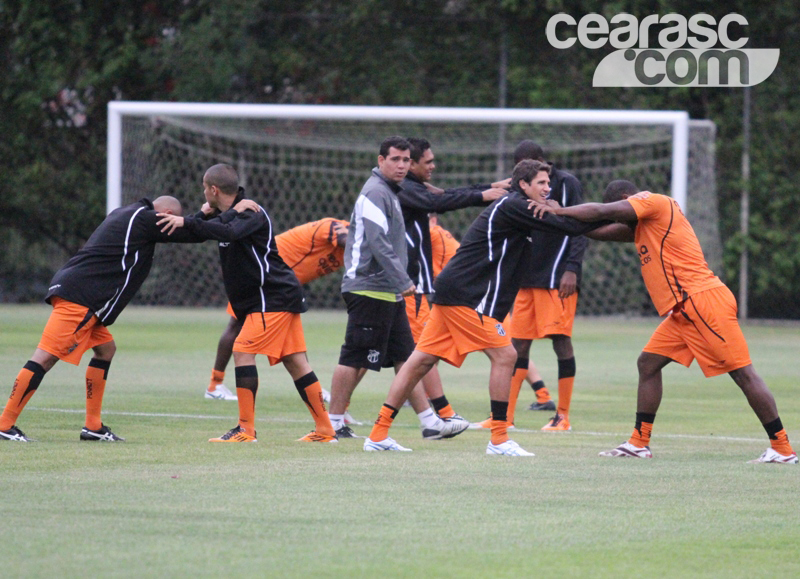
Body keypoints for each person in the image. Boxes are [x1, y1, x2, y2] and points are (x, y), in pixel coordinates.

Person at [531, 180, 797, 464]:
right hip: (684, 311)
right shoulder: (645, 227)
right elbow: (599, 231)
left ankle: (782, 449)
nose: (618, 220)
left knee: (743, 374)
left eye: (618, 212)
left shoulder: (654, 202)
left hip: (702, 302)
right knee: (648, 364)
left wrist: (562, 210)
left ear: (625, 200)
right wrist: (552, 220)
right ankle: (639, 443)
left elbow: (599, 211)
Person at [362, 159, 602, 454]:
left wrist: (560, 208)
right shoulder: (516, 205)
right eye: (540, 182)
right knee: (506, 355)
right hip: (465, 295)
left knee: (419, 362)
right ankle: (499, 438)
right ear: (523, 185)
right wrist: (619, 216)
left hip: (454, 291)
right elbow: (566, 225)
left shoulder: (522, 208)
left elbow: (560, 224)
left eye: (548, 182)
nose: (547, 187)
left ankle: (377, 434)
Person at [157, 164, 336, 443]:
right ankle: (325, 430)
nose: (204, 194)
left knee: (242, 350)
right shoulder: (223, 214)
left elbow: (228, 233)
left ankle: (245, 430)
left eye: (205, 189)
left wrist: (210, 218)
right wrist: (199, 216)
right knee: (296, 362)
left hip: (271, 297)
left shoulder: (251, 210)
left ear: (213, 189)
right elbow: (192, 232)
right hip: (272, 298)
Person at [0, 196, 202, 442]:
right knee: (45, 357)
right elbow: (193, 232)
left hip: (78, 292)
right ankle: (4, 424)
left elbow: (187, 231)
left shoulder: (128, 214)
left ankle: (93, 427)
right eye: (172, 219)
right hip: (82, 297)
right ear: (166, 213)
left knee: (106, 350)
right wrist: (211, 213)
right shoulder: (144, 218)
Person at [328, 136, 468, 441]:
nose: (402, 165)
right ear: (381, 161)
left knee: (408, 357)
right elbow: (377, 243)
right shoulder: (376, 192)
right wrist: (405, 282)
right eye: (396, 159)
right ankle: (333, 423)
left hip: (385, 289)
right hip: (369, 287)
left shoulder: (392, 191)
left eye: (406, 160)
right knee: (354, 357)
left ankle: (430, 422)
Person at [475, 140, 588, 432]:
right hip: (526, 278)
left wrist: (572, 268)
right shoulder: (518, 194)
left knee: (560, 341)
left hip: (556, 276)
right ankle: (504, 417)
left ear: (544, 162)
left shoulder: (566, 184)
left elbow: (580, 226)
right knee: (517, 345)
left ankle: (563, 416)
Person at [396, 137, 508, 423]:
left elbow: (444, 194)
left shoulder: (410, 188)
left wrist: (489, 189)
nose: (434, 166)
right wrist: (483, 195)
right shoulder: (404, 189)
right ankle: (441, 415)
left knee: (404, 356)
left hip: (414, 286)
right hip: (412, 286)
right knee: (419, 357)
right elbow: (440, 201)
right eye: (429, 161)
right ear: (411, 163)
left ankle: (344, 418)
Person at [205, 217, 350, 402]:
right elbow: (346, 239)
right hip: (262, 272)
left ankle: (313, 388)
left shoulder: (352, 248)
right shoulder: (334, 226)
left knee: (293, 342)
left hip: (282, 286)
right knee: (237, 325)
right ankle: (214, 384)